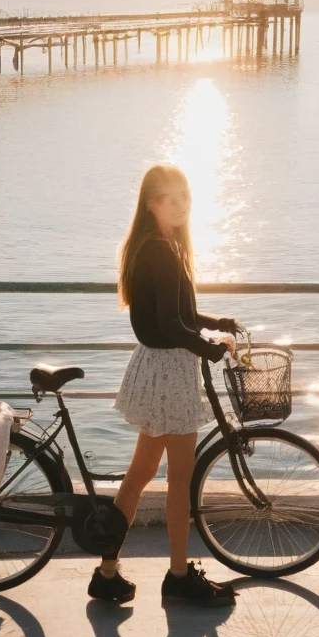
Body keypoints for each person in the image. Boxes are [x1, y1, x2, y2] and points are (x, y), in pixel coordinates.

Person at [88, 163, 241, 607]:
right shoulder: (162, 250)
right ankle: (177, 576)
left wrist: (215, 323)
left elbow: (175, 315)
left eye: (186, 197)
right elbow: (172, 326)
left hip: (155, 368)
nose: (181, 205)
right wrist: (210, 348)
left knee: (138, 477)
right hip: (170, 373)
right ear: (153, 203)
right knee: (179, 481)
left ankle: (107, 572)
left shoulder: (151, 245)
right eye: (171, 199)